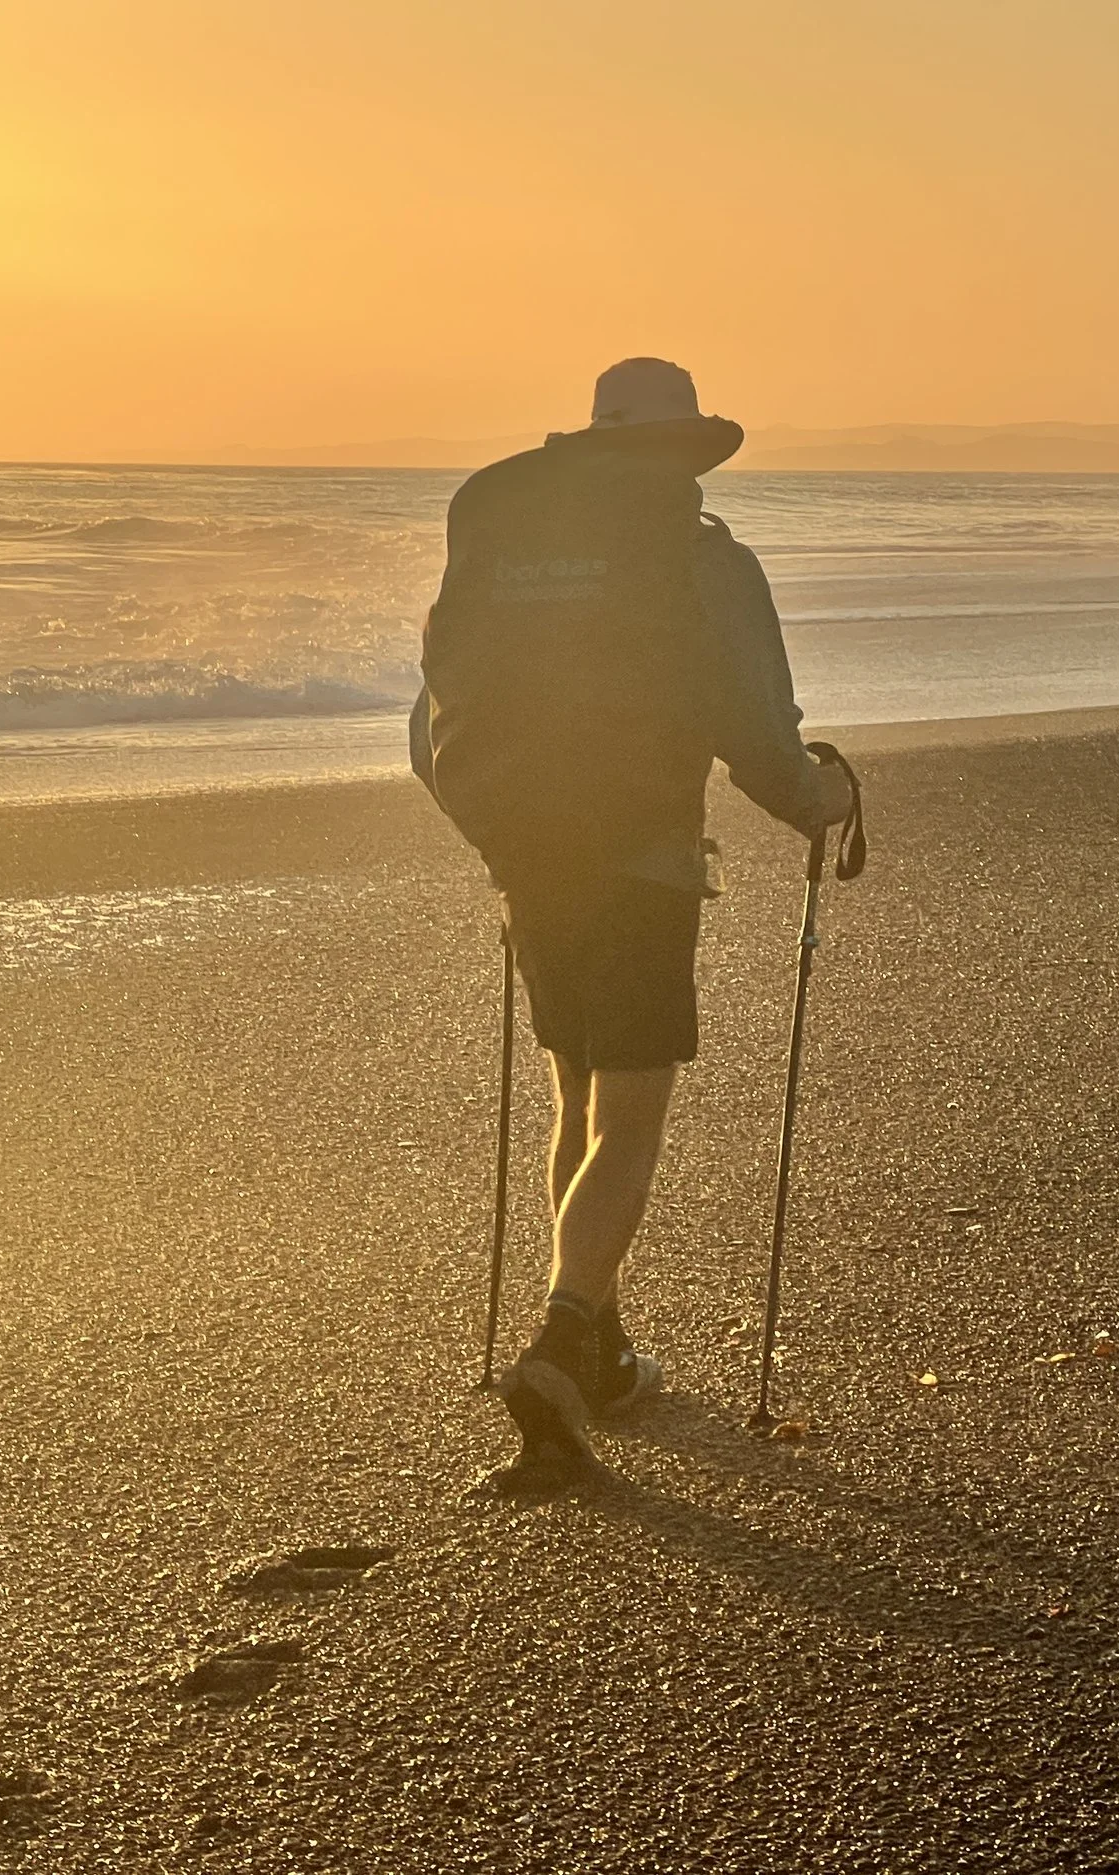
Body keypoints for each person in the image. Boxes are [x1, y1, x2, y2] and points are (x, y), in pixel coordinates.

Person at [414, 356, 855, 1470]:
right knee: (632, 1108)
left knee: (576, 1084)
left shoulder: (499, 530)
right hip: (641, 858)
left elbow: (436, 701)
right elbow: (754, 719)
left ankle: (599, 1346)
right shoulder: (700, 559)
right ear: (682, 449)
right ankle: (561, 1343)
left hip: (524, 847)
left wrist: (487, 828)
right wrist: (819, 804)